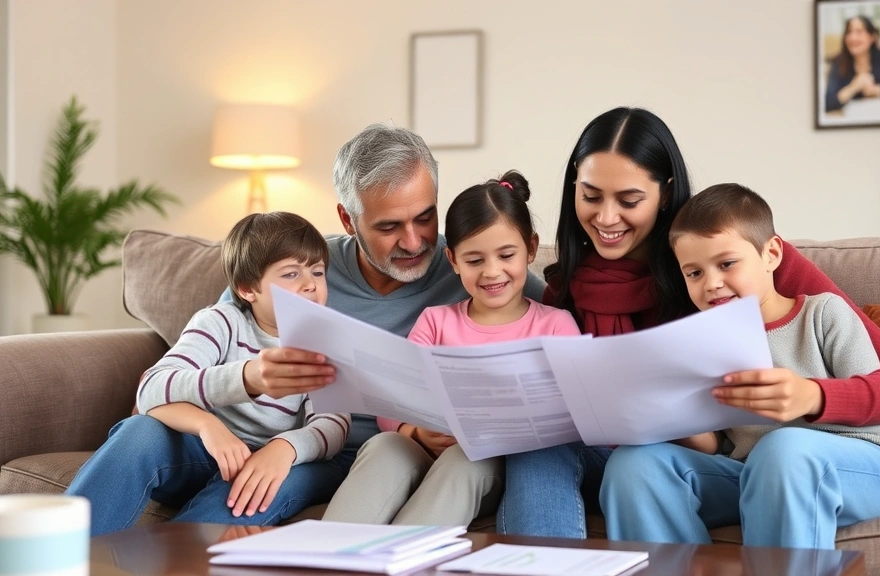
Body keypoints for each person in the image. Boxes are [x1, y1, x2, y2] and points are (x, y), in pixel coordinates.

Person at [496, 106, 880, 540]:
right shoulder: (569, 287)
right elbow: (712, 438)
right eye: (591, 196)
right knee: (625, 462)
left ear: (664, 193)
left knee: (781, 450)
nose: (606, 218)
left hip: (820, 456)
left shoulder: (747, 256)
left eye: (628, 200)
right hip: (694, 458)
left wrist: (812, 395)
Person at [600, 183, 880, 549]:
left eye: (726, 264)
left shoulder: (822, 314)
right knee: (634, 466)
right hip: (755, 472)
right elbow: (715, 445)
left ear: (771, 253)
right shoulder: (702, 342)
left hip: (875, 469)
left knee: (783, 449)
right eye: (694, 273)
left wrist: (812, 397)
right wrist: (665, 417)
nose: (711, 283)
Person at [238, 124, 545, 484]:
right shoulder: (302, 267)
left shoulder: (475, 267)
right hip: (308, 449)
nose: (414, 242)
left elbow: (553, 318)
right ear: (348, 220)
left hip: (415, 460)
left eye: (425, 217)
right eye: (389, 227)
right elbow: (222, 332)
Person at [66, 212, 353, 535]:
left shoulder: (325, 340)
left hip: (270, 459)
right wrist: (208, 425)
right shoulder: (221, 322)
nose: (310, 284)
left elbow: (333, 424)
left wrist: (283, 449)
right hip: (206, 453)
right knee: (140, 430)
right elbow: (152, 387)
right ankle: (56, 557)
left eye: (317, 272)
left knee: (255, 489)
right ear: (247, 289)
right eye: (290, 274)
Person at [322, 171, 579, 526]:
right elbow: (393, 396)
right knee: (385, 446)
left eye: (506, 255)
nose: (492, 272)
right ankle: (326, 555)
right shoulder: (435, 322)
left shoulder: (555, 325)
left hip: (493, 463)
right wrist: (415, 432)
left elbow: (574, 407)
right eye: (475, 261)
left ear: (531, 250)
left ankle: (404, 556)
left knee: (463, 459)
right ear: (453, 260)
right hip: (426, 447)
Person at [824, 15, 880, 112]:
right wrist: (854, 87)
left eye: (859, 32)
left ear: (872, 37)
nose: (852, 37)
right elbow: (828, 102)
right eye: (849, 32)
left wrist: (876, 90)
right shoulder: (838, 62)